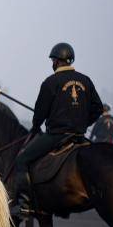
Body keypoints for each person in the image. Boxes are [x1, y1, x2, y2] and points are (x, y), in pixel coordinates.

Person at [10, 42, 103, 215]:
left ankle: (24, 202)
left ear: (56, 61)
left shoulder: (51, 82)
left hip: (56, 136)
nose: (52, 63)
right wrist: (83, 123)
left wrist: (36, 126)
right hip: (79, 136)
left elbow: (40, 113)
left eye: (53, 60)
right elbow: (98, 108)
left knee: (22, 160)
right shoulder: (86, 80)